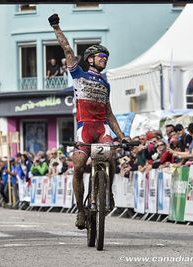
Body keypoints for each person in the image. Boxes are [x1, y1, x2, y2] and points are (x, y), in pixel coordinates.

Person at [49, 13, 127, 229]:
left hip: (101, 129)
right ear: (90, 59)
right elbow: (67, 50)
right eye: (101, 56)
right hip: (84, 129)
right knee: (79, 166)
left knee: (110, 155)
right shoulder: (79, 75)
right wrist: (56, 28)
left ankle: (107, 193)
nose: (104, 58)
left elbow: (109, 115)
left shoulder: (106, 84)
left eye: (106, 57)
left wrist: (123, 137)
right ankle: (81, 212)